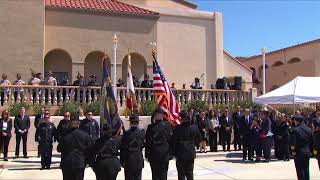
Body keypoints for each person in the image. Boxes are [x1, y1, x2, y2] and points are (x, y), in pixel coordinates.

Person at [172, 110, 201, 180]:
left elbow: (173, 141)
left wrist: (173, 152)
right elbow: (199, 138)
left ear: (181, 119)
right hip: (190, 153)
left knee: (181, 174)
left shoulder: (177, 128)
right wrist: (195, 144)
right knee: (190, 173)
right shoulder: (194, 127)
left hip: (180, 153)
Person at [145, 108, 173, 180]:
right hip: (165, 153)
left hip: (154, 153)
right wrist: (171, 153)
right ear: (162, 115)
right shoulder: (168, 125)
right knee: (163, 175)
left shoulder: (150, 127)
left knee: (155, 175)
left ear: (155, 115)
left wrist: (147, 155)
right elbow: (171, 140)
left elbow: (148, 142)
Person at [120, 113, 145, 180]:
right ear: (138, 122)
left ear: (130, 123)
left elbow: (123, 149)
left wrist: (122, 161)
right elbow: (143, 145)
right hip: (138, 159)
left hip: (128, 160)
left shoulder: (126, 134)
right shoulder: (142, 133)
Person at [290, 115, 313, 180]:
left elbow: (293, 143)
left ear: (296, 121)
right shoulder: (308, 129)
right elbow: (311, 142)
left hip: (298, 153)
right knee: (306, 169)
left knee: (300, 170)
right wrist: (311, 151)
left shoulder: (294, 130)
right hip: (307, 152)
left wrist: (293, 152)